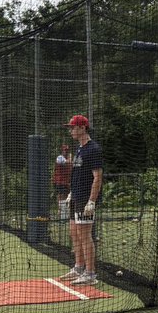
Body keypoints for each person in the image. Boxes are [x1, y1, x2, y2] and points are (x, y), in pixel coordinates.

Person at [60, 115, 103, 286]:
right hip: (76, 196)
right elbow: (78, 174)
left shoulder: (93, 149)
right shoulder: (79, 148)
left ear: (82, 128)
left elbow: (97, 177)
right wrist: (71, 192)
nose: (71, 130)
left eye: (73, 127)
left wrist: (92, 201)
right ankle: (78, 267)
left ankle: (90, 273)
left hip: (85, 198)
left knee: (85, 235)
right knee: (74, 232)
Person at [53, 143, 72, 217]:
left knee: (66, 196)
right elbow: (68, 162)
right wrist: (70, 157)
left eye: (67, 151)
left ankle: (64, 213)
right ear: (62, 151)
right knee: (60, 196)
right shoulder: (59, 158)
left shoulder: (68, 159)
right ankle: (61, 212)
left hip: (66, 181)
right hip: (59, 181)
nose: (66, 152)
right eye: (65, 150)